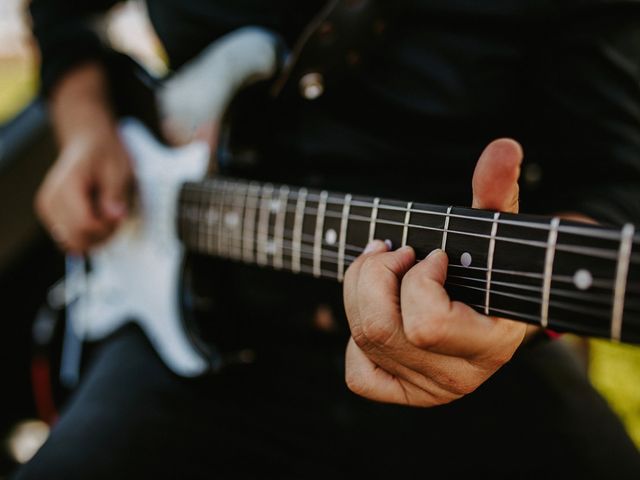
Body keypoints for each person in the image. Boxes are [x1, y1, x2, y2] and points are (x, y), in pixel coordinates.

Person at [16, 0, 640, 478]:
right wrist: (84, 125)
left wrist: (514, 317)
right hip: (187, 333)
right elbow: (64, 13)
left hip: (468, 356)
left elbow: (616, 175)